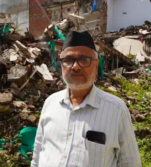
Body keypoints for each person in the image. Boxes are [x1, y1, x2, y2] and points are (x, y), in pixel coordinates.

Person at [31, 31, 141, 167]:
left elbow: (130, 163)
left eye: (84, 60)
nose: (75, 66)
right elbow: (38, 153)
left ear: (96, 66)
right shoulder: (50, 104)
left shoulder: (116, 109)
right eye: (69, 60)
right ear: (62, 66)